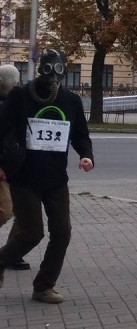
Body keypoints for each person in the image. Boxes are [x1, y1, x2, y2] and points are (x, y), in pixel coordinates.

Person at [0, 49, 94, 304]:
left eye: (59, 68)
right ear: (41, 68)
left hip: (55, 179)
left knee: (62, 233)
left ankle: (43, 286)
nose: (53, 74)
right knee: (31, 233)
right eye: (48, 68)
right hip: (24, 177)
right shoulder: (21, 96)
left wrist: (86, 155)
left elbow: (81, 135)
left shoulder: (71, 101)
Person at [0, 64, 31, 272]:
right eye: (12, 79)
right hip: (4, 167)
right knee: (6, 210)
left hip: (18, 165)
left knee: (24, 213)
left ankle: (12, 253)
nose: (15, 83)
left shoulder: (18, 101)